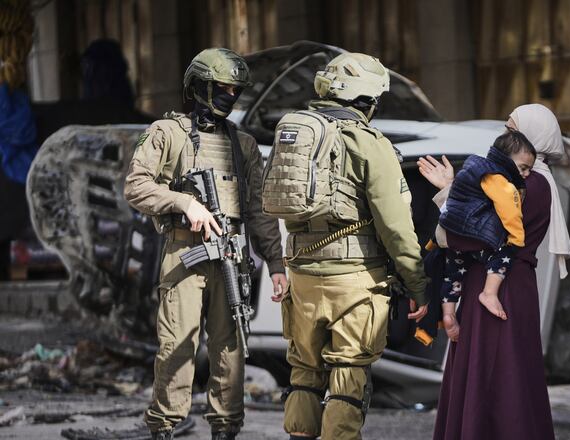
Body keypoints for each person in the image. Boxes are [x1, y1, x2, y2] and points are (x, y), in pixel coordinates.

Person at [124, 48, 286, 440]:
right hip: (185, 251)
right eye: (223, 87)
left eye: (235, 90)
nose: (230, 96)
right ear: (200, 86)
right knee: (177, 345)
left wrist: (277, 264)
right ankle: (164, 426)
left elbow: (259, 210)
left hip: (230, 254)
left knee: (231, 349)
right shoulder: (168, 134)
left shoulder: (242, 144)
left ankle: (226, 427)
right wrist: (184, 202)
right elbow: (136, 186)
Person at [272, 52, 428, 440]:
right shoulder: (369, 142)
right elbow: (396, 227)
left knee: (305, 371)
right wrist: (417, 284)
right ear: (368, 100)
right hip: (355, 282)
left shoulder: (299, 134)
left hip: (303, 277)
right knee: (348, 374)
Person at [421, 103, 570, 440]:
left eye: (513, 128)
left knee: (497, 377)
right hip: (503, 284)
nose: (506, 135)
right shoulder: (524, 179)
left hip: (500, 286)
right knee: (501, 375)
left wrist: (448, 194)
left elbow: (476, 233)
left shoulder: (531, 183)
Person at [435, 129, 536, 340]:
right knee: (502, 253)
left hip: (452, 233)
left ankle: (448, 313)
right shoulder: (499, 178)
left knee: (454, 271)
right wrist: (515, 238)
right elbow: (509, 209)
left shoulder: (473, 166)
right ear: (505, 160)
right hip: (474, 233)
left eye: (529, 170)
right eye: (524, 168)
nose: (526, 174)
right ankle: (489, 293)